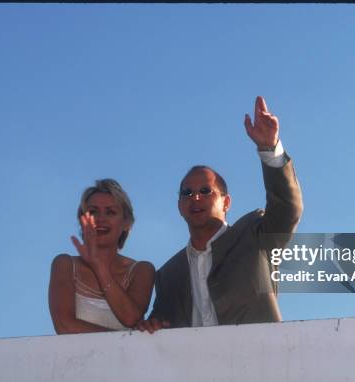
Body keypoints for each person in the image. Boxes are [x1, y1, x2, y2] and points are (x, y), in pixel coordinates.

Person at [137, 96, 303, 333]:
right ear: (179, 206)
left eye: (205, 191)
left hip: (260, 363)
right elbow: (158, 326)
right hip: (193, 368)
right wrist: (150, 325)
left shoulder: (254, 235)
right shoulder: (167, 275)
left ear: (226, 202)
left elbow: (288, 209)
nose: (195, 198)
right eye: (187, 193)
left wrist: (270, 149)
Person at [48, 179, 155, 333]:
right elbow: (64, 326)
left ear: (126, 223)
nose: (100, 219)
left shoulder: (142, 270)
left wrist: (98, 266)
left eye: (110, 212)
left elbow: (131, 318)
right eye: (93, 212)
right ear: (82, 220)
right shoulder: (64, 264)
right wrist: (126, 339)